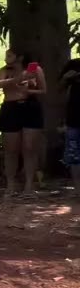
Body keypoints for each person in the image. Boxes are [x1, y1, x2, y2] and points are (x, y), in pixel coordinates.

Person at [0, 49, 47, 194]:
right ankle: (11, 184)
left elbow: (43, 90)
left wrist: (28, 91)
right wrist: (14, 80)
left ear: (20, 57)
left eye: (9, 55)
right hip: (10, 108)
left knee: (29, 147)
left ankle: (29, 185)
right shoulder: (5, 70)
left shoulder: (33, 69)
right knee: (11, 149)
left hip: (30, 107)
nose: (6, 58)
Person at [63, 59, 80, 193]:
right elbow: (58, 90)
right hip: (73, 122)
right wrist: (65, 78)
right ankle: (78, 188)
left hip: (73, 123)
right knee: (74, 157)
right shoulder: (73, 65)